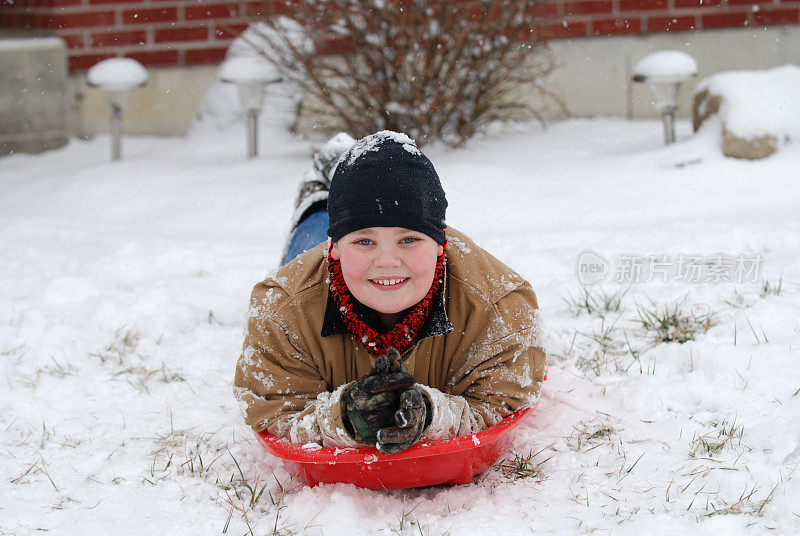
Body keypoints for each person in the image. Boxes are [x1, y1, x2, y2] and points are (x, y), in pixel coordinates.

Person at [234, 130, 546, 455]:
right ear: (336, 247)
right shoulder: (282, 306)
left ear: (441, 244)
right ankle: (316, 198)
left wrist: (431, 414)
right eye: (364, 241)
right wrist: (343, 418)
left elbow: (503, 405)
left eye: (408, 239)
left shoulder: (500, 305)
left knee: (353, 233)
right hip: (319, 258)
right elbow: (272, 411)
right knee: (308, 237)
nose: (387, 262)